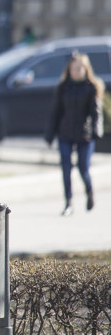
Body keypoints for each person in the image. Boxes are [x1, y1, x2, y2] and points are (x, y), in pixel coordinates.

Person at [45, 52, 104, 216]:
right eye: (74, 68)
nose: (77, 71)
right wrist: (49, 134)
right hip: (65, 133)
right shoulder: (63, 88)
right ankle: (68, 202)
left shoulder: (91, 88)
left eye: (80, 68)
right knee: (65, 167)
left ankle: (89, 191)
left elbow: (96, 113)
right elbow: (55, 113)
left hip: (84, 135)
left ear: (86, 69)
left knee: (83, 167)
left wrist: (96, 130)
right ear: (69, 69)